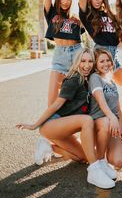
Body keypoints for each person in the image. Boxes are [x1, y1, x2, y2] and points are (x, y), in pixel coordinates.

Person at [16, 48, 116, 189]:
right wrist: (34, 125)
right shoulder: (74, 79)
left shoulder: (89, 80)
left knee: (83, 157)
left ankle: (49, 147)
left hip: (63, 130)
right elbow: (56, 104)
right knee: (86, 121)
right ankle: (94, 171)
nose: (86, 65)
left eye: (90, 61)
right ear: (77, 62)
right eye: (83, 61)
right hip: (51, 125)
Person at [61, 0, 122, 104]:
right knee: (103, 98)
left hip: (113, 58)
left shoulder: (108, 13)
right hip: (99, 56)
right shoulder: (87, 14)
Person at [40, 0, 84, 106]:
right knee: (52, 102)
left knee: (78, 98)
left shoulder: (76, 19)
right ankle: (55, 128)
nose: (66, 1)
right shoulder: (51, 13)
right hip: (59, 56)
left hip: (77, 55)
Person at [89, 48, 122, 178]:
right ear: (96, 64)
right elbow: (101, 101)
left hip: (114, 126)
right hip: (100, 122)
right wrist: (112, 117)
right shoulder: (95, 77)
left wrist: (121, 128)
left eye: (108, 60)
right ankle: (100, 161)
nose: (106, 64)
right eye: (101, 61)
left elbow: (118, 109)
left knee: (118, 161)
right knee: (105, 121)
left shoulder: (111, 81)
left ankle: (105, 155)